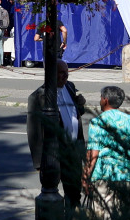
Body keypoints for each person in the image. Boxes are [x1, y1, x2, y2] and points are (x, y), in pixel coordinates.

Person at [26, 60, 90, 210]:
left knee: (74, 193)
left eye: (66, 73)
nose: (65, 76)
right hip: (53, 155)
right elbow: (33, 131)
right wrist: (38, 163)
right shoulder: (38, 97)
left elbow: (73, 114)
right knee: (50, 195)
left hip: (73, 151)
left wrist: (80, 105)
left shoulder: (70, 87)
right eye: (61, 73)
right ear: (50, 74)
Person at [85, 85, 130, 216]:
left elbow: (93, 153)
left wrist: (85, 176)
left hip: (104, 175)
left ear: (105, 100)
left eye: (100, 98)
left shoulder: (97, 122)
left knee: (105, 217)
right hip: (129, 175)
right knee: (129, 218)